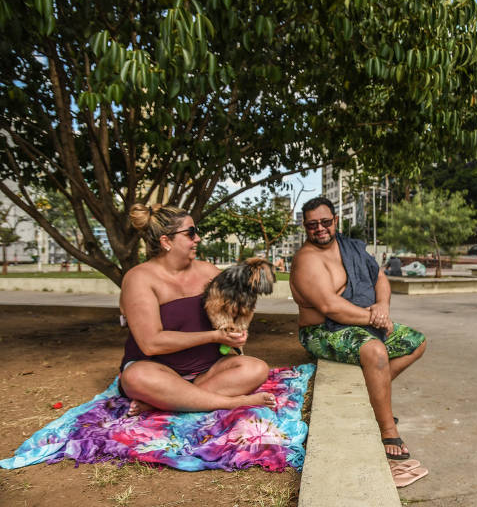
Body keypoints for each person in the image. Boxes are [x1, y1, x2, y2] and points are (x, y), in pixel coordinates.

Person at [289, 196, 426, 460]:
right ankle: (387, 429)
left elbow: (379, 278)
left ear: (336, 221)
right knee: (375, 351)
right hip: (321, 332)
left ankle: (372, 398)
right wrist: (375, 318)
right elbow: (330, 307)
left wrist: (383, 307)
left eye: (326, 222)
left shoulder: (350, 247)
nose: (320, 228)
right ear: (305, 228)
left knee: (416, 341)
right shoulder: (307, 260)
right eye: (312, 225)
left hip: (360, 321)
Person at [119, 203, 276, 416]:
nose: (198, 239)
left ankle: (165, 402)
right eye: (190, 233)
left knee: (256, 369)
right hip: (158, 369)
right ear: (166, 241)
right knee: (136, 377)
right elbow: (151, 344)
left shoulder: (209, 271)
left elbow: (230, 314)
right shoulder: (139, 279)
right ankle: (232, 402)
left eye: (197, 232)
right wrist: (213, 336)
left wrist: (236, 329)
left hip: (207, 371)